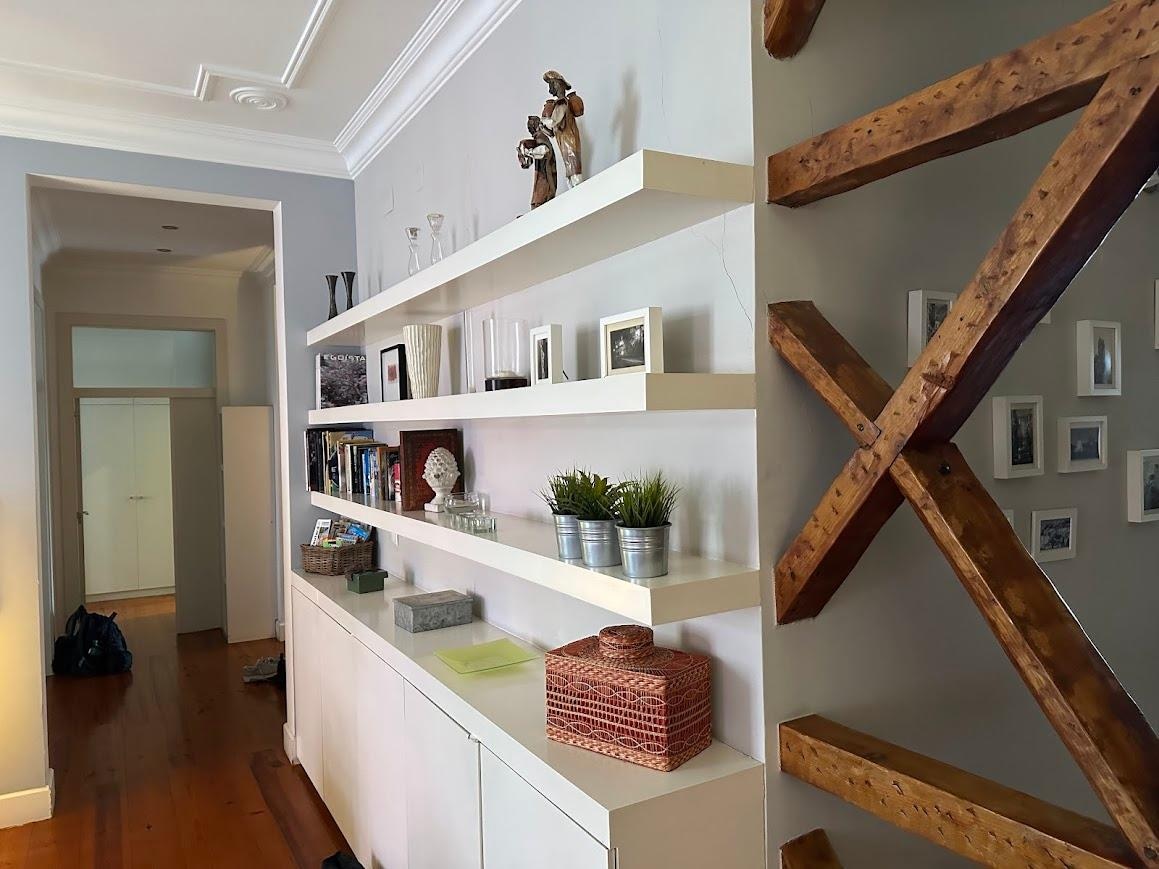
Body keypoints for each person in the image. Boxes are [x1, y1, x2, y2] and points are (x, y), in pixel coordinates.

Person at [541, 70, 584, 186]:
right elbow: (552, 132)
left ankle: (577, 188)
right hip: (563, 141)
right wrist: (542, 128)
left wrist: (543, 121)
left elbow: (553, 122)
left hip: (569, 138)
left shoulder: (561, 103)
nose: (551, 88)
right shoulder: (557, 105)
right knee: (569, 166)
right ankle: (573, 187)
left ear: (558, 84)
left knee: (573, 165)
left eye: (552, 84)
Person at [517, 115, 557, 209]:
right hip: (540, 173)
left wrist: (529, 152)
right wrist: (524, 158)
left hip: (545, 173)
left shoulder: (541, 136)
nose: (530, 129)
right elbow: (529, 162)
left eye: (531, 126)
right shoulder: (536, 139)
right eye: (529, 126)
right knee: (536, 197)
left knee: (541, 196)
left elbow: (545, 150)